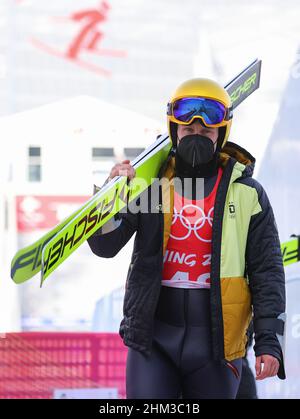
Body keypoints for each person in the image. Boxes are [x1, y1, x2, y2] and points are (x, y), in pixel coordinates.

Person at [87, 78, 286, 399]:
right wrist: (111, 196)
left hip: (217, 345)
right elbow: (105, 246)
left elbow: (267, 271)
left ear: (221, 135)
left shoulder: (247, 192)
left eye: (206, 133)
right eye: (188, 131)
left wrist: (269, 339)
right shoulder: (150, 187)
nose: (197, 137)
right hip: (153, 340)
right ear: (174, 131)